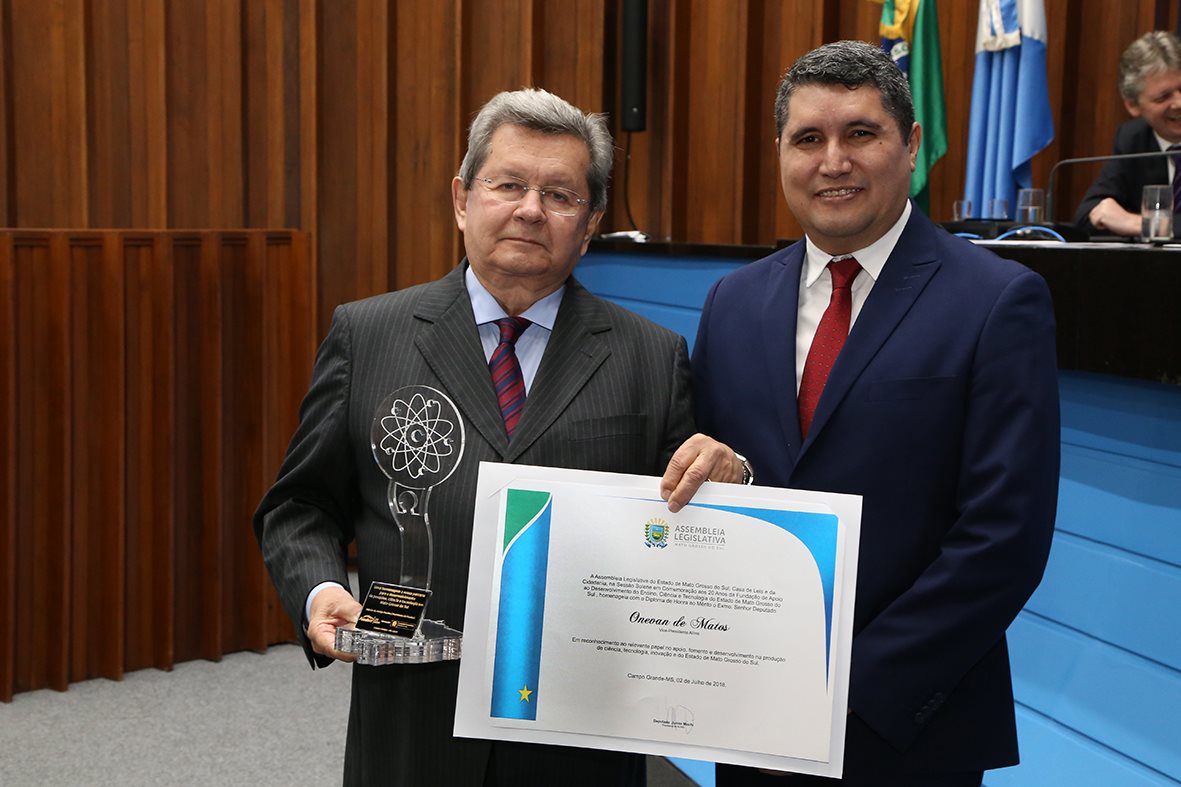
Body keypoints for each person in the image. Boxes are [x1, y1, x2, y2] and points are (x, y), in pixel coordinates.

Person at [253, 88, 739, 786]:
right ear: (462, 199)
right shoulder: (367, 334)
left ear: (590, 223)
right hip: (410, 717)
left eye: (559, 194)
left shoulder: (651, 357)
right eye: (508, 184)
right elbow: (300, 504)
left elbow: (685, 529)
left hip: (580, 734)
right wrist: (320, 588)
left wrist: (728, 474)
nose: (530, 209)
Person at [661, 40, 1060, 786]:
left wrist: (845, 689)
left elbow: (1004, 537)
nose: (833, 161)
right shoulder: (732, 301)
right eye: (807, 139)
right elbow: (722, 482)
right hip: (748, 715)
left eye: (861, 133)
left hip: (906, 727)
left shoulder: (996, 300)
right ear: (780, 154)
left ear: (911, 145)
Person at [1074, 31, 1181, 236]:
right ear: (1133, 106)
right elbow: (1089, 213)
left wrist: (1139, 224)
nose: (1179, 103)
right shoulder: (1133, 139)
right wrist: (1107, 214)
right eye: (1163, 97)